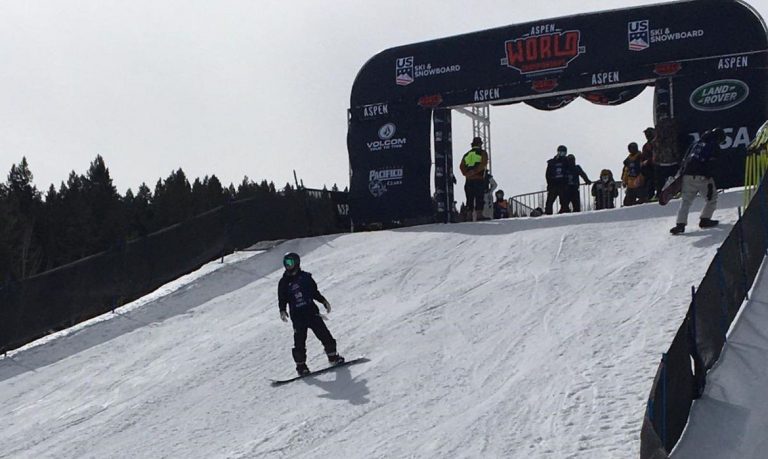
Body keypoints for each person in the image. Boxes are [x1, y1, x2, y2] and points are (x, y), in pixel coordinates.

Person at [278, 252, 344, 375]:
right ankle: (301, 367)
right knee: (299, 341)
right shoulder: (283, 282)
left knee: (324, 334)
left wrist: (323, 301)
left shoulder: (305, 277)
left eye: (290, 263)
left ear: (296, 263)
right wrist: (282, 309)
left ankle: (333, 357)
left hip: (311, 312)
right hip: (297, 316)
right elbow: (282, 298)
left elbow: (314, 292)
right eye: (286, 263)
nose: (288, 266)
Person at [670, 128, 725, 235]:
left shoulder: (696, 143)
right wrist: (710, 177)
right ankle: (705, 219)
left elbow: (686, 158)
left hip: (687, 174)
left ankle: (680, 224)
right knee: (711, 198)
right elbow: (712, 163)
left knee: (686, 201)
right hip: (702, 176)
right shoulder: (713, 146)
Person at [459, 137, 489, 222]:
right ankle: (479, 214)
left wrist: (466, 173)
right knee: (479, 197)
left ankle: (469, 216)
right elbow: (483, 163)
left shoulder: (467, 154)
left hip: (468, 180)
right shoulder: (482, 153)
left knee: (469, 198)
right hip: (478, 178)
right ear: (480, 144)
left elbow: (461, 166)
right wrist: (475, 171)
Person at [653, 117, 682, 197]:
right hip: (672, 160)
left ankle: (660, 193)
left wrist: (655, 159)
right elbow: (674, 146)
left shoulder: (658, 127)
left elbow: (656, 146)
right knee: (674, 178)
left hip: (662, 161)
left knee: (661, 180)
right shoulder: (672, 126)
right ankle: (675, 192)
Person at [544, 145, 570, 214]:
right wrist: (549, 184)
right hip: (553, 185)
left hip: (562, 185)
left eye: (564, 152)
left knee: (564, 202)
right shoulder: (552, 162)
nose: (562, 154)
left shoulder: (566, 161)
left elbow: (569, 171)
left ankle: (564, 215)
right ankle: (548, 216)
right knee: (549, 202)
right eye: (561, 152)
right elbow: (547, 174)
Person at [622, 142, 648, 206]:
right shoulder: (627, 160)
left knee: (643, 201)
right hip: (630, 183)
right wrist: (624, 181)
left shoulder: (641, 157)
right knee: (628, 203)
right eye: (630, 148)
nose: (632, 149)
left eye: (633, 148)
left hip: (640, 182)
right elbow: (626, 171)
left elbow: (645, 170)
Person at [641, 127, 656, 200]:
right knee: (649, 182)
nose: (646, 136)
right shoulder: (646, 146)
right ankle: (649, 196)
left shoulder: (657, 144)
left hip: (657, 166)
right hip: (649, 168)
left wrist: (648, 161)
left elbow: (657, 156)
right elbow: (643, 157)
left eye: (648, 134)